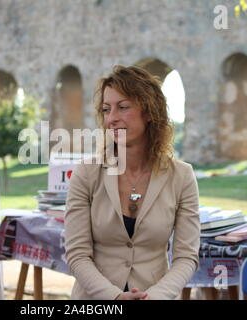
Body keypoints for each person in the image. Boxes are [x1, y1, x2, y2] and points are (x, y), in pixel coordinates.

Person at [64, 65, 200, 300]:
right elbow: (77, 254)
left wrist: (156, 296)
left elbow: (186, 256)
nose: (112, 118)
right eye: (107, 109)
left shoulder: (182, 176)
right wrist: (114, 297)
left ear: (149, 112)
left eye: (123, 107)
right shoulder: (86, 173)